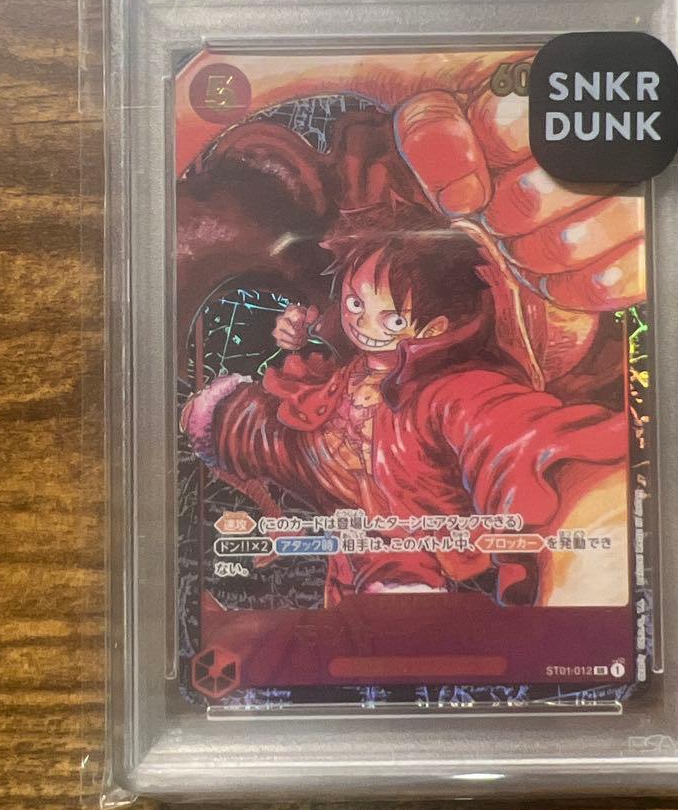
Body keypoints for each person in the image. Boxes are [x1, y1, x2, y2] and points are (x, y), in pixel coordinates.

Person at [182, 203, 627, 606]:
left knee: (391, 572)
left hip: (400, 520)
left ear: (435, 328)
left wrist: (584, 501)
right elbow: (297, 421)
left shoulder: (448, 390)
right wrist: (294, 336)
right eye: (355, 302)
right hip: (322, 451)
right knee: (222, 419)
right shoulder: (351, 354)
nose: (364, 324)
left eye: (393, 319)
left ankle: (398, 593)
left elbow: (507, 432)